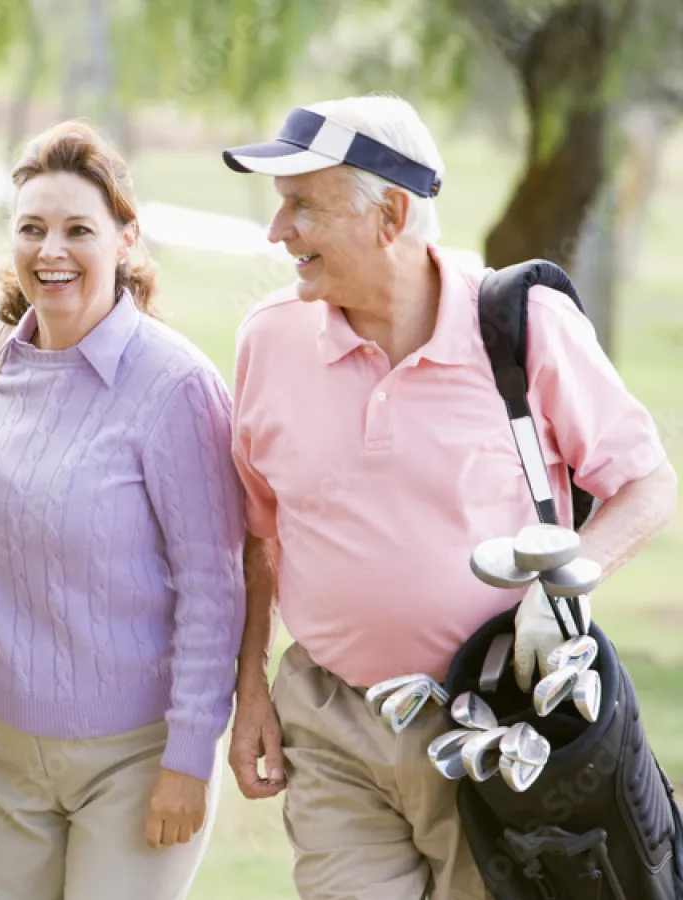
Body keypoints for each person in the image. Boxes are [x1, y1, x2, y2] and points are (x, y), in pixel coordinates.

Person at [220, 95, 677, 899]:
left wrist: (564, 587)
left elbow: (645, 483)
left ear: (389, 214)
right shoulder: (269, 338)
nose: (276, 231)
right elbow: (259, 533)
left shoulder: (521, 324)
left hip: (494, 725)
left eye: (301, 207)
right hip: (329, 720)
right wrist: (251, 685)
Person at [0, 120, 247, 900]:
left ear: (127, 240)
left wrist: (189, 756)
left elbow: (214, 587)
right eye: (32, 229)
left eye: (79, 229)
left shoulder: (176, 388)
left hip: (132, 761)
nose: (51, 251)